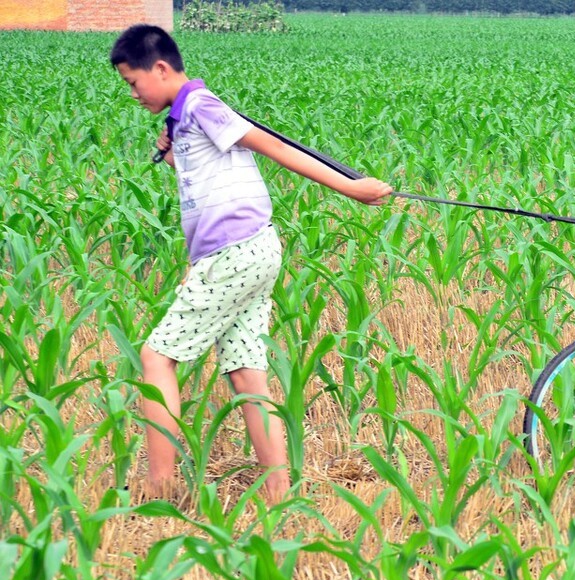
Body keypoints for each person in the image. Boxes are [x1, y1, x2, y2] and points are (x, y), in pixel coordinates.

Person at [110, 24, 394, 502]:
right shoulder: (187, 118)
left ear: (159, 69)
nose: (134, 94)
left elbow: (276, 148)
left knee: (157, 357)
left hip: (235, 253)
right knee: (245, 369)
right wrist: (173, 152)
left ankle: (158, 489)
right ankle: (279, 490)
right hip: (250, 251)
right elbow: (204, 179)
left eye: (133, 82)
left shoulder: (202, 106)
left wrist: (354, 188)